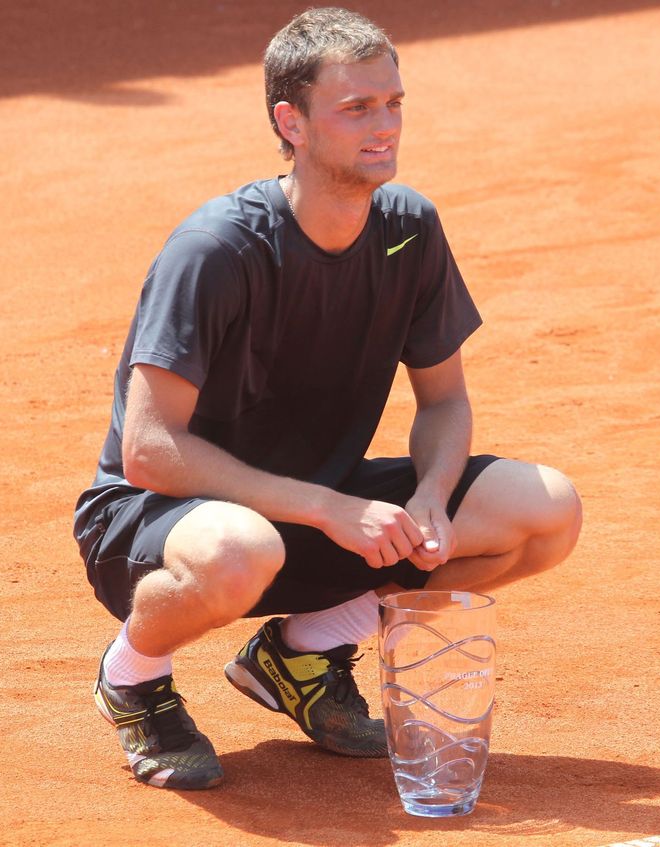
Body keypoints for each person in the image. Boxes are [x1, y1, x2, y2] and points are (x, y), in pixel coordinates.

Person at [74, 7, 582, 791]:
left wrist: (435, 498)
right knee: (243, 548)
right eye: (357, 108)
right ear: (293, 121)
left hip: (312, 510)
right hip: (158, 521)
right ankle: (134, 675)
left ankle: (301, 654)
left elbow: (443, 401)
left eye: (394, 103)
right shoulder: (217, 249)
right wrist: (327, 508)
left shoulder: (409, 227)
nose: (384, 126)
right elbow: (150, 448)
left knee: (545, 510)